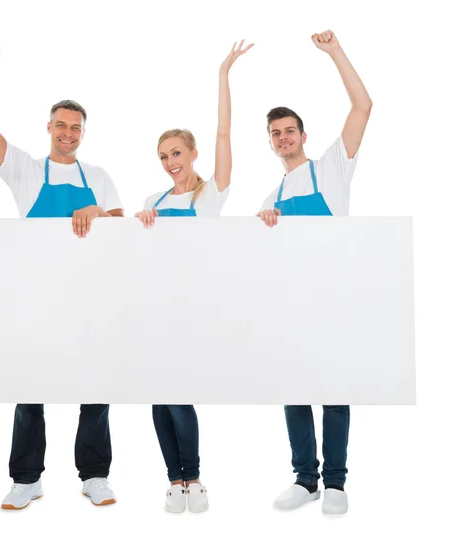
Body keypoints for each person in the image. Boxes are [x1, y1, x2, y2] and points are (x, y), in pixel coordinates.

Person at [0, 39, 124, 510]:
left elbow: (124, 229)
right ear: (49, 127)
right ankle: (26, 478)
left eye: (76, 128)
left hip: (89, 297)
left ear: (83, 133)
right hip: (36, 296)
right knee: (29, 386)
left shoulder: (96, 175)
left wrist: (97, 210)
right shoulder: (25, 171)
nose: (68, 133)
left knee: (94, 386)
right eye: (61, 125)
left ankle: (94, 475)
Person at [135, 40, 253, 513]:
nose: (170, 162)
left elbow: (225, 136)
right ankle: (174, 481)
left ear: (193, 152)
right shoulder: (152, 202)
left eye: (177, 152)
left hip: (190, 311)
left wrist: (223, 74)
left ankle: (195, 477)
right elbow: (136, 260)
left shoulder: (209, 197)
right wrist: (140, 228)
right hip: (153, 311)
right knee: (157, 398)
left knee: (177, 394)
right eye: (163, 156)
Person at [258, 30, 372, 515]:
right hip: (293, 304)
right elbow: (261, 260)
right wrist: (263, 229)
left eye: (290, 131)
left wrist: (334, 52)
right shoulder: (271, 199)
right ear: (271, 143)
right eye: (276, 134)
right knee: (294, 386)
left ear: (303, 135)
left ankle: (337, 483)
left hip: (336, 297)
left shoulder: (331, 170)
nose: (284, 138)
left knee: (334, 388)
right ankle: (305, 479)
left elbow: (363, 106)